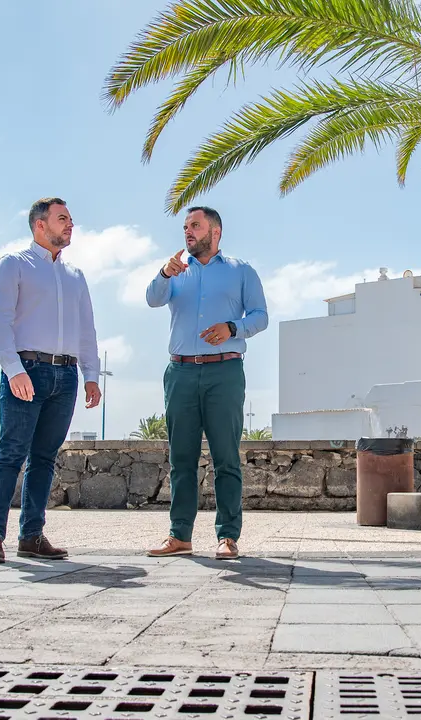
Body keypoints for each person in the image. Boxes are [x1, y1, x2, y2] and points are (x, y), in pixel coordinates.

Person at [0, 197, 102, 563]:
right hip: (26, 371)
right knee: (11, 453)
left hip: (65, 376)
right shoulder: (13, 265)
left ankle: (31, 536)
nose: (70, 225)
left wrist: (90, 376)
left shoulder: (75, 276)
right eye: (62, 219)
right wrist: (12, 369)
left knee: (45, 458)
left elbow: (87, 331)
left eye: (70, 219)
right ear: (39, 225)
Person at [145, 206, 268, 560]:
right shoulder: (175, 271)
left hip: (224, 372)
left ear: (215, 232)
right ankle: (179, 536)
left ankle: (228, 536)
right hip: (180, 373)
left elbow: (260, 316)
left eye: (195, 226)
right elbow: (153, 299)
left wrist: (232, 328)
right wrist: (163, 274)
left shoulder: (241, 271)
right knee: (181, 458)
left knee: (225, 457)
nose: (188, 232)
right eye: (185, 227)